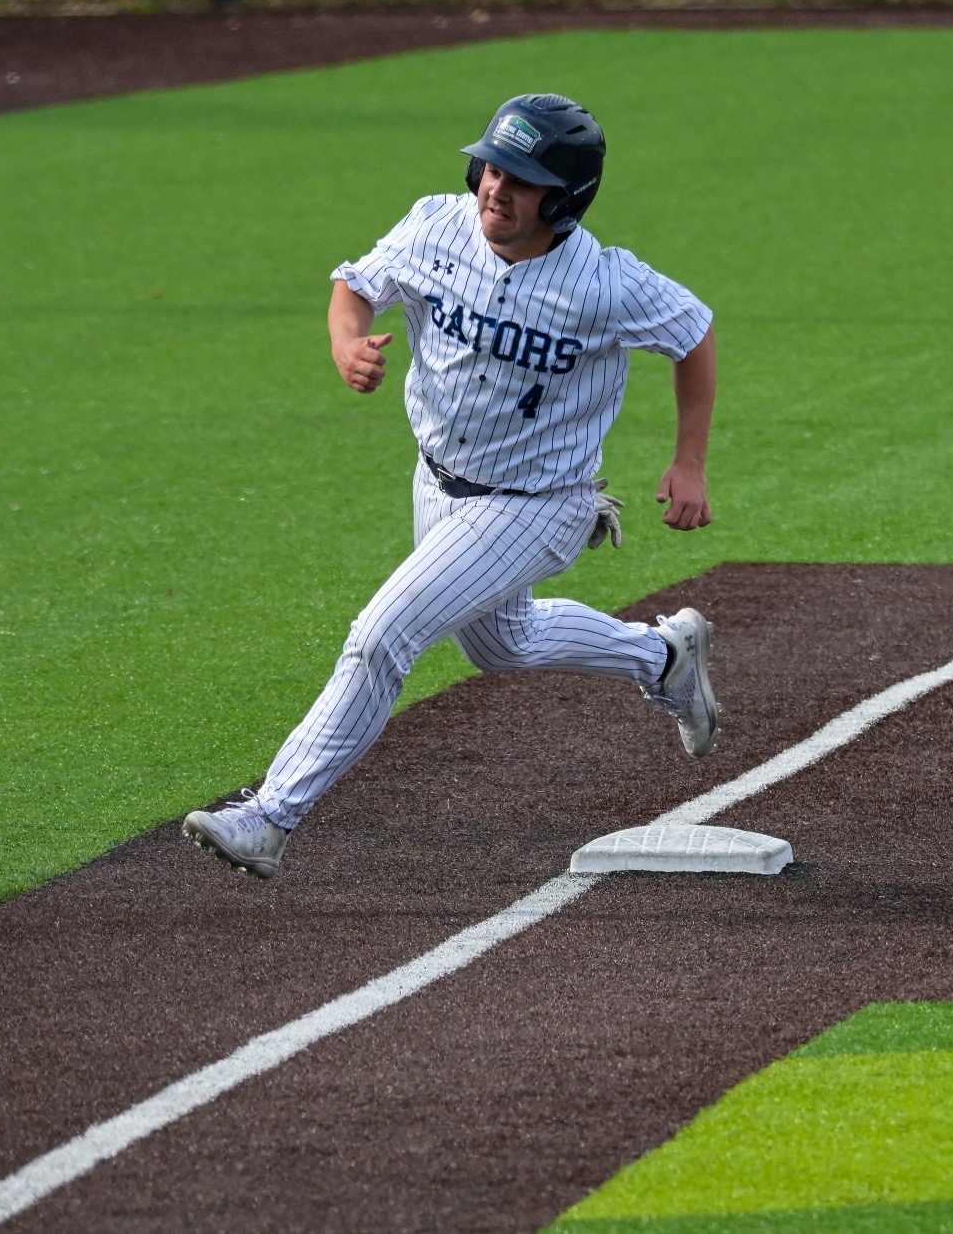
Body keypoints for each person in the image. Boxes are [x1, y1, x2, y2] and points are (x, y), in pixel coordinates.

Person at [184, 93, 721, 879]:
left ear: (564, 198)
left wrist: (690, 461)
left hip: (540, 504)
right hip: (437, 483)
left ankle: (271, 814)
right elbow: (353, 283)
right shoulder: (437, 224)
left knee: (382, 635)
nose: (496, 188)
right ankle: (663, 657)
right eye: (492, 167)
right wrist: (343, 344)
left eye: (522, 178)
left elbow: (693, 331)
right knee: (504, 642)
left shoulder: (604, 283)